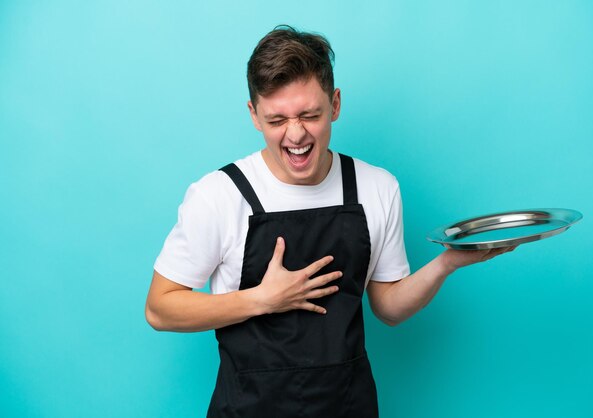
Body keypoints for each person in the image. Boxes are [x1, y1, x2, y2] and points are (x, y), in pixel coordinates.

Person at [145, 25, 515, 418]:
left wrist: (447, 263)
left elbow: (388, 307)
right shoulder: (218, 195)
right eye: (277, 120)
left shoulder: (376, 187)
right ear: (254, 114)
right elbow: (160, 309)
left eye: (310, 114)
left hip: (347, 406)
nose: (296, 134)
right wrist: (262, 299)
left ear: (335, 104)